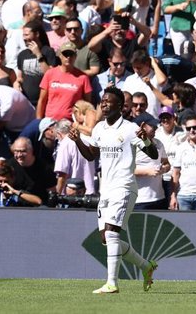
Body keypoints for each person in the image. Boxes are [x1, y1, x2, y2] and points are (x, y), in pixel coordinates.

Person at [68, 86, 159, 294]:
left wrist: (145, 138)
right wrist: (78, 140)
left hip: (124, 187)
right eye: (103, 101)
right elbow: (92, 155)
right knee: (106, 239)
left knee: (112, 235)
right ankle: (146, 266)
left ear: (120, 106)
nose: (104, 104)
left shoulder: (130, 129)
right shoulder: (99, 128)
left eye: (109, 101)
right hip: (106, 190)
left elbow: (153, 154)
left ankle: (112, 283)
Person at [37, 42, 92, 121]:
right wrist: (38, 121)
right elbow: (42, 100)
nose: (68, 57)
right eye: (65, 54)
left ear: (75, 56)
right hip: (49, 121)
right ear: (60, 56)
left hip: (71, 122)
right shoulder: (50, 73)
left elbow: (87, 105)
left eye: (71, 54)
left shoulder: (83, 77)